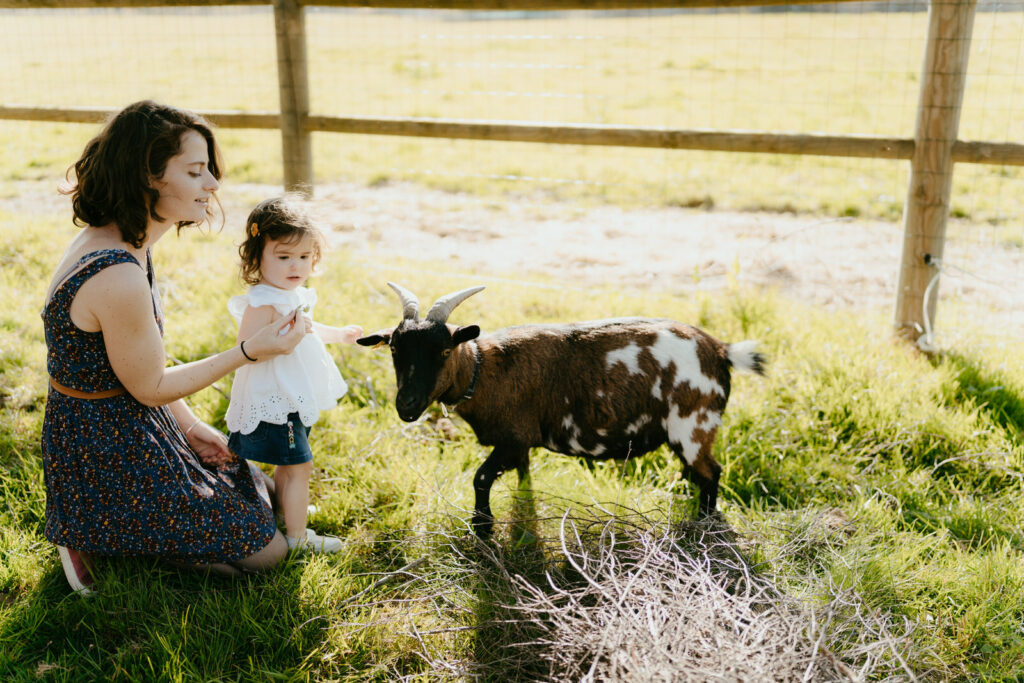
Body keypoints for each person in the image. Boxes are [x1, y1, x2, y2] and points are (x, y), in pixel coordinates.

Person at [41, 100, 309, 593]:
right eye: (195, 170)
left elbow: (140, 373)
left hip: (127, 419)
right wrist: (250, 351)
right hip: (102, 448)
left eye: (208, 169)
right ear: (149, 176)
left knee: (265, 493)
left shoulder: (126, 242)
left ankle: (117, 528)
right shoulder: (116, 273)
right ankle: (99, 531)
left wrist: (189, 427)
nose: (212, 184)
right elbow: (150, 386)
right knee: (270, 554)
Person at [226, 196, 362, 553]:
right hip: (277, 397)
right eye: (283, 257)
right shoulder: (263, 302)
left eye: (304, 257)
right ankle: (297, 537)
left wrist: (340, 334)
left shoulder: (293, 293)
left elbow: (309, 327)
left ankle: (290, 508)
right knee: (300, 466)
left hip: (296, 394)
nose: (295, 265)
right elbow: (246, 350)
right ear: (257, 258)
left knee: (291, 466)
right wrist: (278, 345)